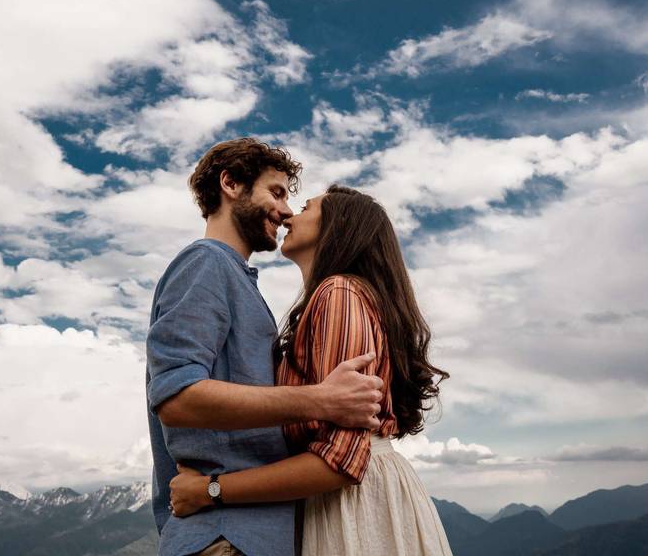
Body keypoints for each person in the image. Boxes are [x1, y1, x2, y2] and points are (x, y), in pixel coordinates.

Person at [168, 184, 455, 556]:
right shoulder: (336, 298)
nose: (288, 215)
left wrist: (210, 490)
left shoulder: (339, 294)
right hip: (344, 500)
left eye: (304, 206)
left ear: (338, 227)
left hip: (353, 507)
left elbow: (339, 462)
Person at [146, 140, 385, 556]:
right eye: (275, 192)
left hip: (245, 533)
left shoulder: (237, 279)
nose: (287, 210)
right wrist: (322, 400)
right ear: (230, 184)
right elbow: (177, 398)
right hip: (225, 538)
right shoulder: (206, 262)